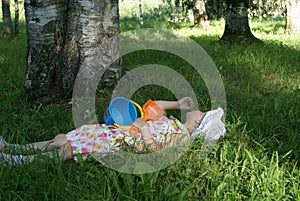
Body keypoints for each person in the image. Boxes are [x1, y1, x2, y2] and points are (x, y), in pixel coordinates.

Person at [0, 97, 226, 167]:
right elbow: (152, 108)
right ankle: (13, 148)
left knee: (68, 151)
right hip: (111, 132)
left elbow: (155, 150)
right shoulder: (174, 123)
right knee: (62, 138)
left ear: (199, 125)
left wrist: (145, 129)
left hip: (116, 143)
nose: (199, 110)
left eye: (202, 114)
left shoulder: (181, 137)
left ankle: (15, 161)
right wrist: (176, 104)